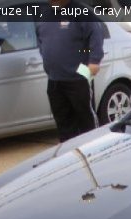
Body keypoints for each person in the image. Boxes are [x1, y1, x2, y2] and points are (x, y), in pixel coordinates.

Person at [36, 0, 104, 142]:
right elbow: (41, 40)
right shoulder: (45, 14)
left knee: (86, 121)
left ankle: (93, 151)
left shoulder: (80, 12)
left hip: (78, 78)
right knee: (63, 124)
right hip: (54, 80)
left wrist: (93, 60)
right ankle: (68, 155)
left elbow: (96, 35)